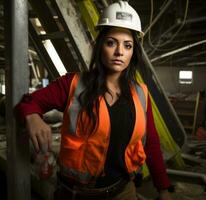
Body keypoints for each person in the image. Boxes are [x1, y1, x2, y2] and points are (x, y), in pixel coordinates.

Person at [15, 1, 173, 199]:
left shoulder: (141, 93)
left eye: (128, 45)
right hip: (76, 195)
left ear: (133, 53)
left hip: (123, 192)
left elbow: (151, 144)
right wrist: (32, 117)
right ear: (100, 46)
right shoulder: (73, 84)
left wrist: (163, 189)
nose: (119, 52)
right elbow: (28, 103)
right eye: (111, 42)